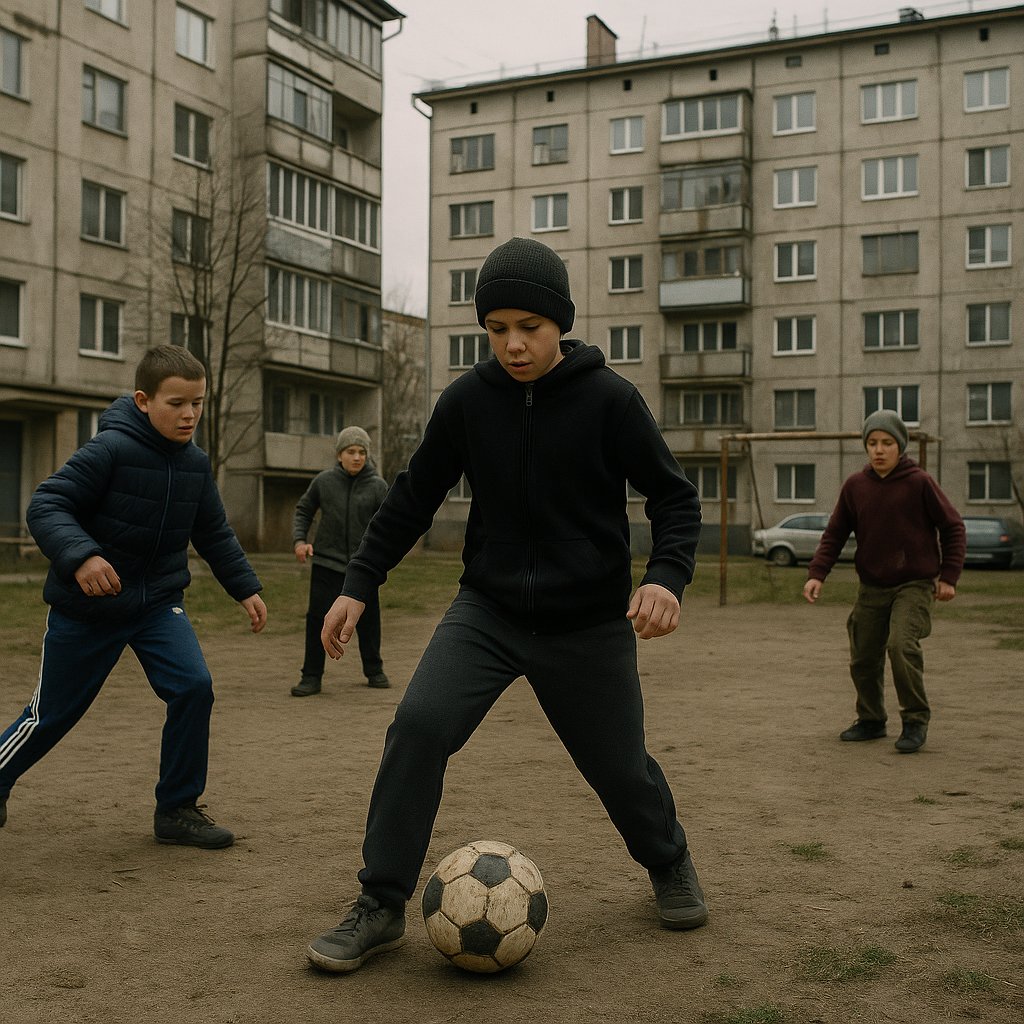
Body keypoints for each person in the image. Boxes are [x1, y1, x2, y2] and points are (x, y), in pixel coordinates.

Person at [304, 236, 706, 975]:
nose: (513, 345)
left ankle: (669, 859)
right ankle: (381, 903)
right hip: (486, 614)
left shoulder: (610, 400)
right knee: (418, 726)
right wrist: (358, 584)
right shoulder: (466, 403)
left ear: (560, 323)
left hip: (586, 623)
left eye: (529, 327)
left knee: (620, 769)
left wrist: (665, 577)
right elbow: (410, 502)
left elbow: (675, 498)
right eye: (496, 329)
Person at [0, 345, 267, 847]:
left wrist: (245, 587)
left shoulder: (194, 465)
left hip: (156, 605)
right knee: (52, 713)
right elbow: (48, 503)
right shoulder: (110, 450)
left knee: (193, 686)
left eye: (198, 403)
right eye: (176, 403)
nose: (189, 414)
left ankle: (177, 810)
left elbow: (213, 533)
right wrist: (81, 556)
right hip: (88, 609)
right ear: (143, 400)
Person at [803, 410, 965, 754]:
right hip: (872, 587)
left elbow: (953, 527)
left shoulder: (919, 482)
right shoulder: (855, 486)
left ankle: (915, 721)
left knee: (901, 646)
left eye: (887, 443)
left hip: (914, 584)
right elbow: (835, 533)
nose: (879, 450)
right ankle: (872, 719)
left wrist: (948, 576)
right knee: (863, 656)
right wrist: (818, 573)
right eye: (873, 443)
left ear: (900, 446)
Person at [290, 426, 390, 696]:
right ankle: (311, 676)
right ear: (339, 455)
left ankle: (374, 670)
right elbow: (303, 510)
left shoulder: (378, 486)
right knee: (317, 620)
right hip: (326, 563)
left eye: (361, 452)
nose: (357, 457)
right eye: (350, 451)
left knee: (369, 620)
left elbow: (389, 525)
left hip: (363, 568)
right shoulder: (323, 482)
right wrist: (300, 541)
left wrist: (381, 559)